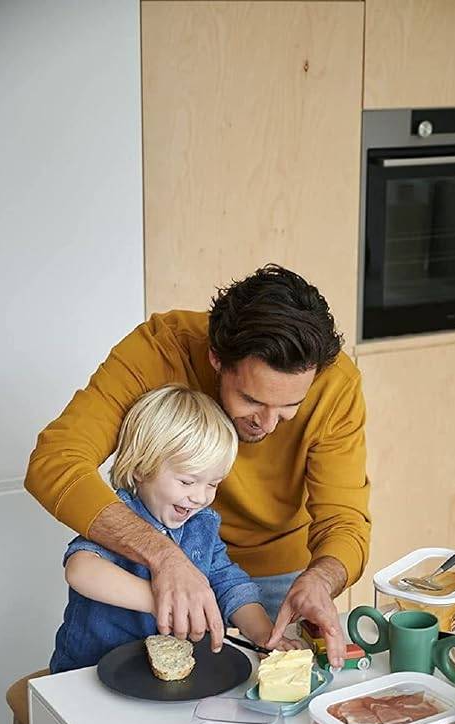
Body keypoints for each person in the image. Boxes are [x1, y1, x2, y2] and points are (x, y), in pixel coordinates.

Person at [26, 264, 371, 668]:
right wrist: (165, 559)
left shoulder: (335, 383)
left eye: (290, 407)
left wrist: (319, 580)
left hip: (271, 586)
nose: (268, 422)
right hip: (160, 583)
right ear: (216, 359)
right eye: (252, 400)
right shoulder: (160, 348)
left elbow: (345, 521)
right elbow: (56, 460)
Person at [50, 386, 298, 673]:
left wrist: (264, 636)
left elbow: (230, 585)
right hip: (86, 674)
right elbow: (81, 571)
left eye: (213, 484)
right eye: (187, 481)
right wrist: (165, 600)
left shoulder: (202, 524)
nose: (200, 496)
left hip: (162, 677)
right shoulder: (118, 516)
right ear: (142, 468)